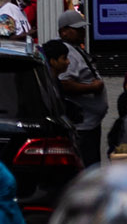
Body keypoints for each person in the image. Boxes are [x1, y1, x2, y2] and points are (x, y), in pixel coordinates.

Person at [46, 28, 107, 164]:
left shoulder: (74, 48)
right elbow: (66, 85)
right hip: (82, 129)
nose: (68, 62)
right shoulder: (53, 85)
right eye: (64, 59)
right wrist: (92, 87)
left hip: (89, 125)